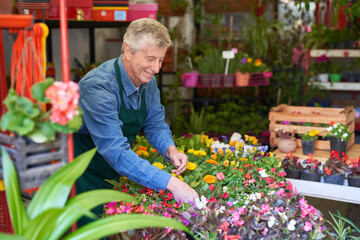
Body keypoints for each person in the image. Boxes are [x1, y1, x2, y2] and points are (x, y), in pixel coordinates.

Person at [74, 18, 199, 226]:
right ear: (128, 51)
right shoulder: (99, 88)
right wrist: (172, 184)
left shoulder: (146, 81)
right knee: (92, 229)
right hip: (85, 174)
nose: (156, 68)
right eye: (150, 58)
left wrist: (170, 150)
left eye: (160, 60)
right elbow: (117, 152)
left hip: (117, 171)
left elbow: (155, 124)